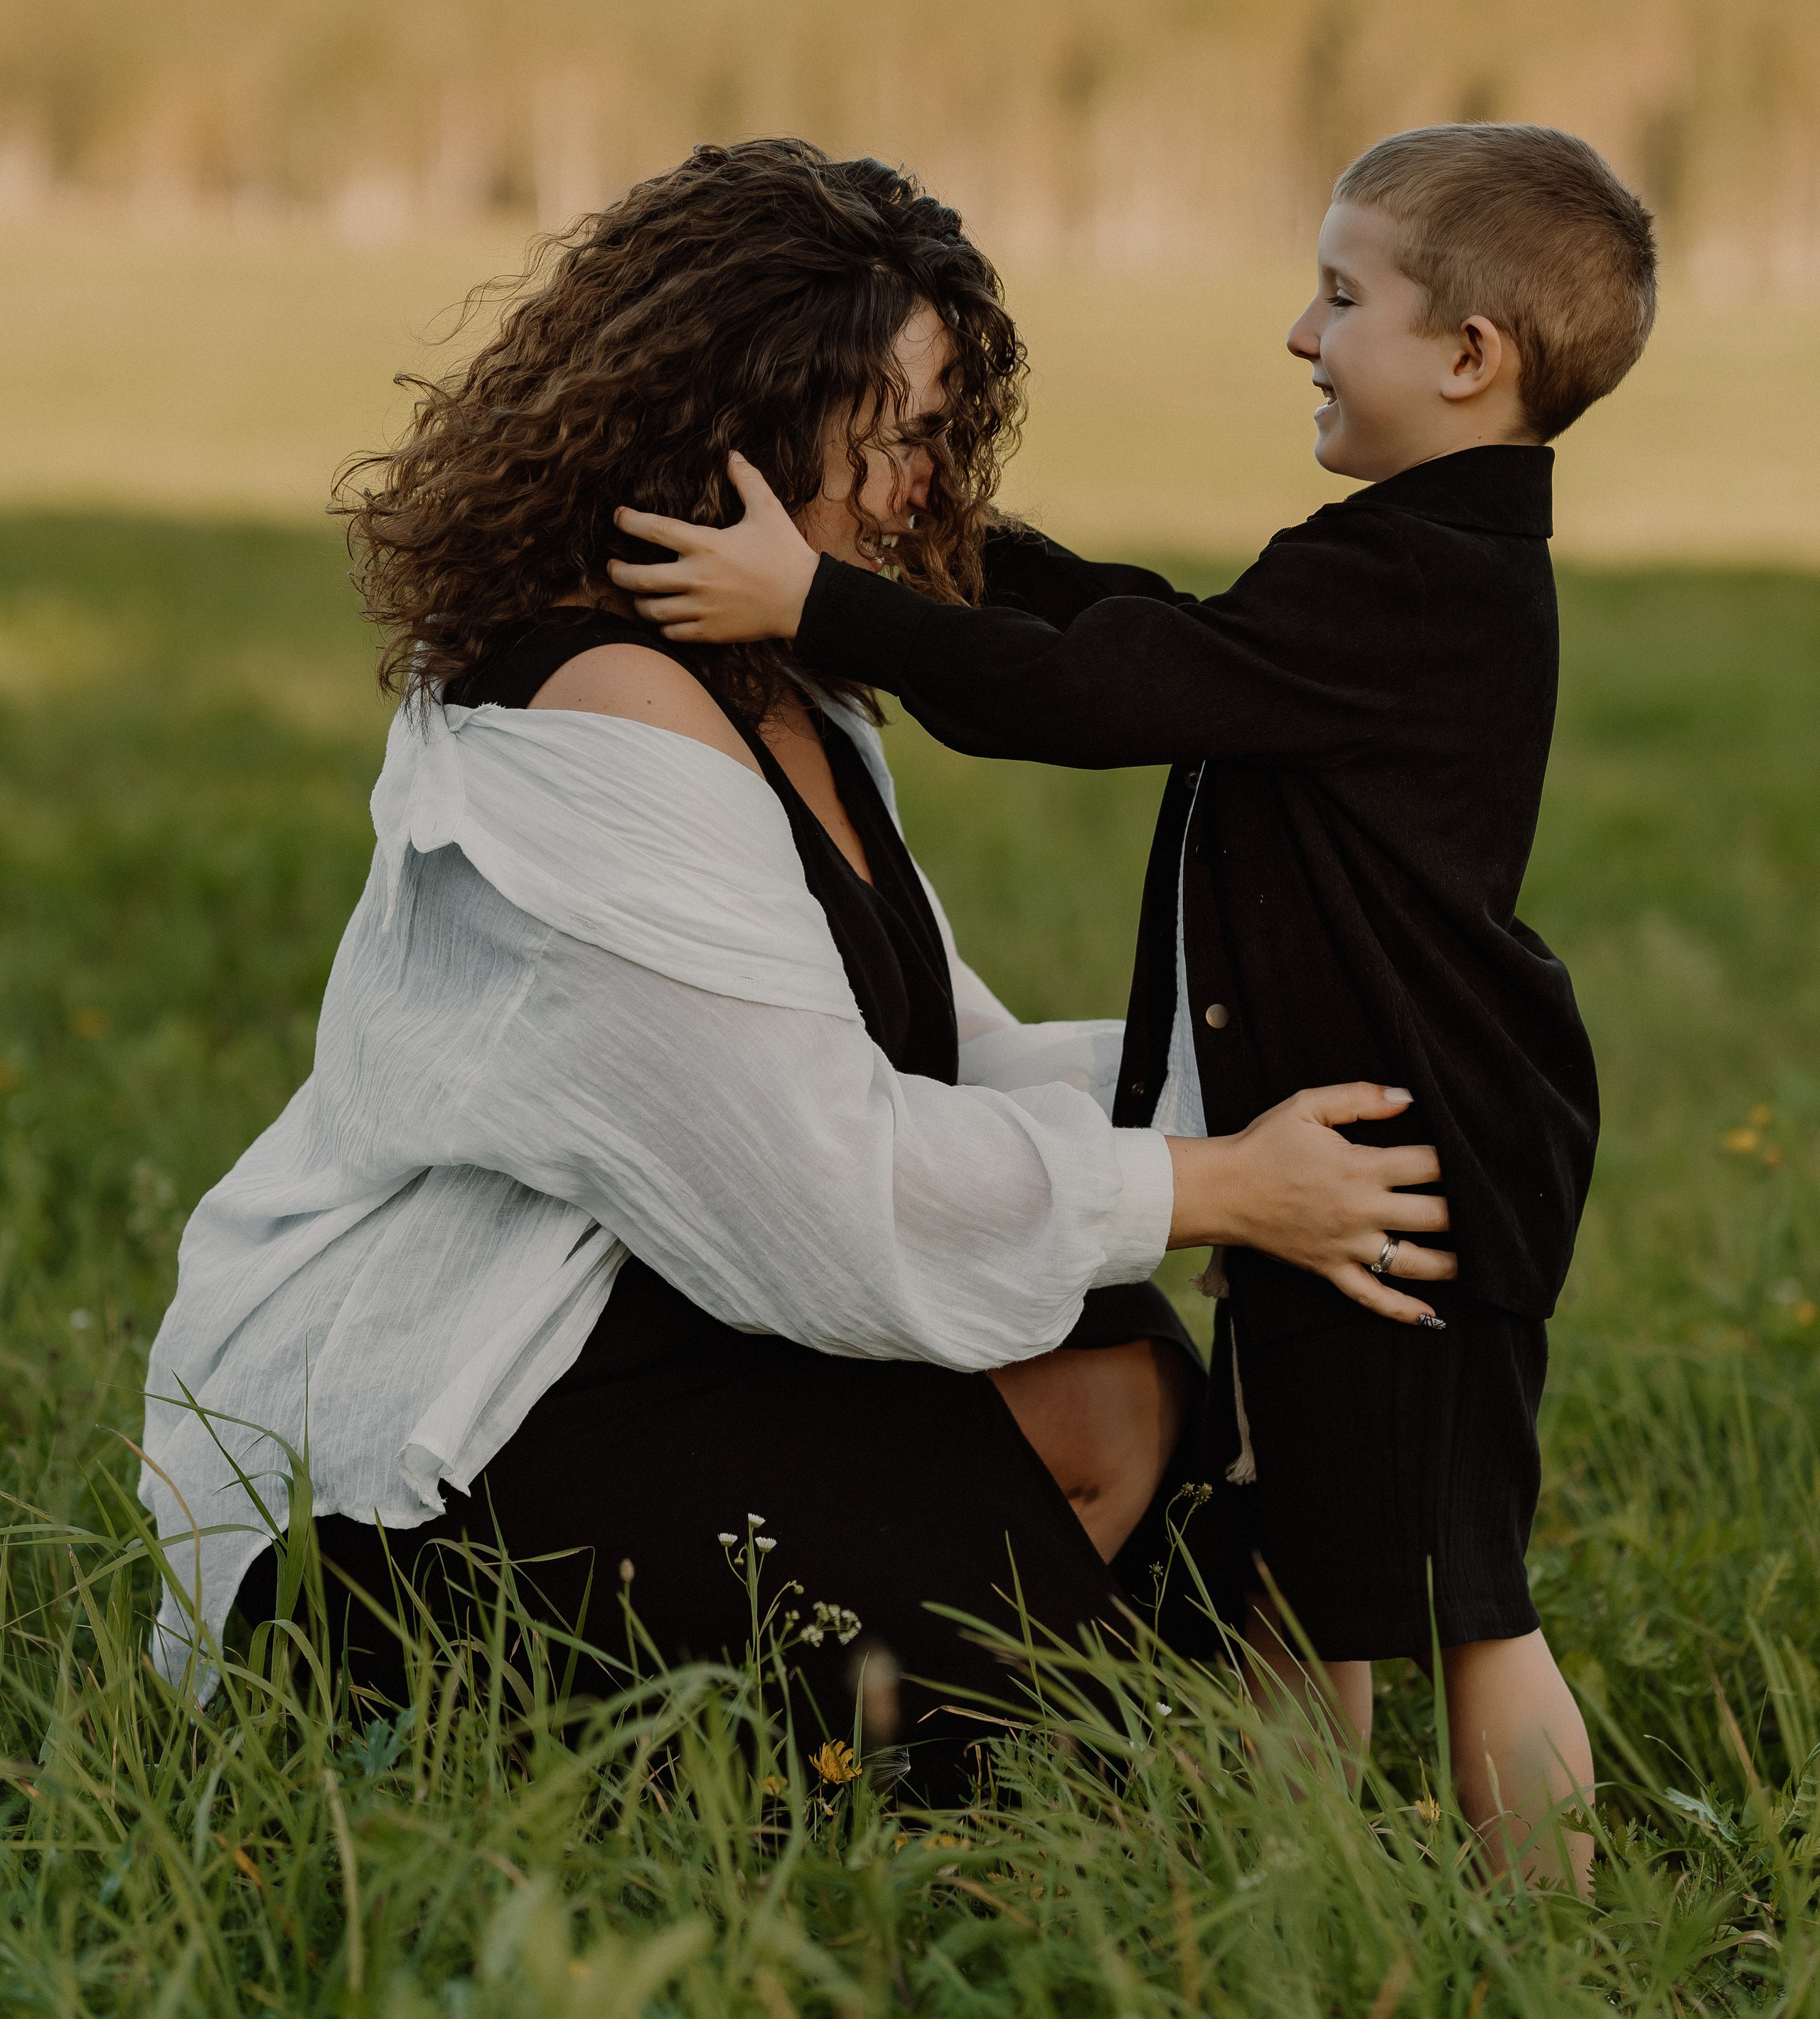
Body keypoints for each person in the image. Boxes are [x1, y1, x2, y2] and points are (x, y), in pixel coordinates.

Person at [140, 139, 1452, 1783]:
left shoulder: (782, 687)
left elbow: (941, 1061)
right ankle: (418, 1721)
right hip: (450, 1427)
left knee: (1126, 1385)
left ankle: (1067, 1721)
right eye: (900, 438)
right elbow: (828, 1193)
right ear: (740, 426)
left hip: (673, 1310)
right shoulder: (597, 713)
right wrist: (1220, 1186)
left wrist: (1321, 1077)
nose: (926, 488)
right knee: (1052, 1764)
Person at [606, 122, 1659, 1878]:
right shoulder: (1400, 563)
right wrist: (955, 548)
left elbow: (1109, 689)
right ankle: (1279, 1890)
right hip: (1347, 1145)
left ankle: (1546, 1927)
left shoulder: (1426, 579)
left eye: (1340, 296)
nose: (1298, 334)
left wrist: (827, 600)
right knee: (1302, 1551)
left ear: (1470, 359)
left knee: (1460, 1593)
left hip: (1411, 1163)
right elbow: (1165, 632)